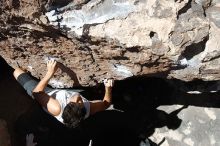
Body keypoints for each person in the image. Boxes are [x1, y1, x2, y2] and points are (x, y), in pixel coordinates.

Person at [13, 60, 114, 128]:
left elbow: (37, 93)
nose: (78, 99)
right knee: (85, 92)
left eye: (73, 102)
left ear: (66, 105)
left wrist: (50, 72)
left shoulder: (56, 108)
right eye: (80, 102)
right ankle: (94, 90)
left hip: (47, 94)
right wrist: (108, 89)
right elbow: (106, 104)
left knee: (17, 72)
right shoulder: (88, 109)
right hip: (65, 93)